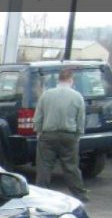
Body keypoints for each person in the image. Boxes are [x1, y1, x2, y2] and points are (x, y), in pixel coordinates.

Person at [33, 69, 87, 201]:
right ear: (71, 80)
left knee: (44, 167)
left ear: (58, 80)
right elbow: (80, 119)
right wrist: (78, 134)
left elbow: (38, 116)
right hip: (69, 136)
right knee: (71, 167)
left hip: (48, 135)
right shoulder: (77, 96)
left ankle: (40, 196)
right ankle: (80, 196)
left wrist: (38, 131)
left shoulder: (46, 95)